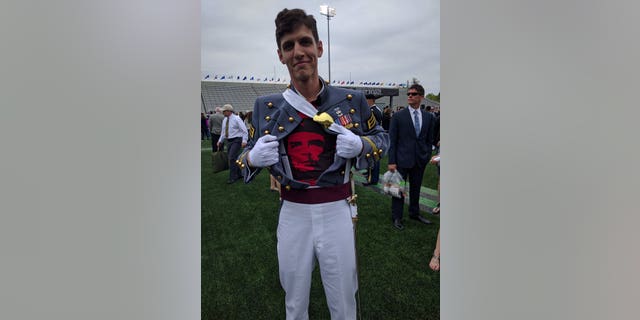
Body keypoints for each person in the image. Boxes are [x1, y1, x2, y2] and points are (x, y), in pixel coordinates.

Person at [236, 8, 388, 319]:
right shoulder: (266, 106)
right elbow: (240, 159)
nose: (298, 52)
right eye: (289, 46)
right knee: (294, 301)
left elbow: (381, 138)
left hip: (338, 209)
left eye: (305, 42)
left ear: (319, 47)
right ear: (280, 55)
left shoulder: (351, 100)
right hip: (293, 211)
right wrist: (251, 157)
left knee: (344, 299)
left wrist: (362, 144)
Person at [387, 84, 436, 230]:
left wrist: (426, 154)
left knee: (416, 188)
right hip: (401, 160)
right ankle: (397, 216)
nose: (410, 96)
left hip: (420, 160)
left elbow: (429, 138)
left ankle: (414, 213)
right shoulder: (398, 116)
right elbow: (392, 140)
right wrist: (392, 161)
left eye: (413, 94)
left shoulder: (429, 117)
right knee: (398, 189)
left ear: (421, 97)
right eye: (408, 94)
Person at [217, 104, 248, 184]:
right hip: (229, 141)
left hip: (237, 140)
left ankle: (233, 177)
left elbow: (244, 130)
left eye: (224, 111)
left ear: (228, 111)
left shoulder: (237, 119)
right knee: (233, 158)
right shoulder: (225, 120)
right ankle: (239, 174)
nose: (223, 112)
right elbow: (223, 132)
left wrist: (244, 141)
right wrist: (220, 141)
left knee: (231, 158)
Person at [362, 94, 383, 186]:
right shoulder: (375, 109)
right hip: (375, 137)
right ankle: (370, 175)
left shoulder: (372, 111)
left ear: (371, 100)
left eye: (366, 100)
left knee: (373, 158)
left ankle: (372, 179)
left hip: (373, 137)